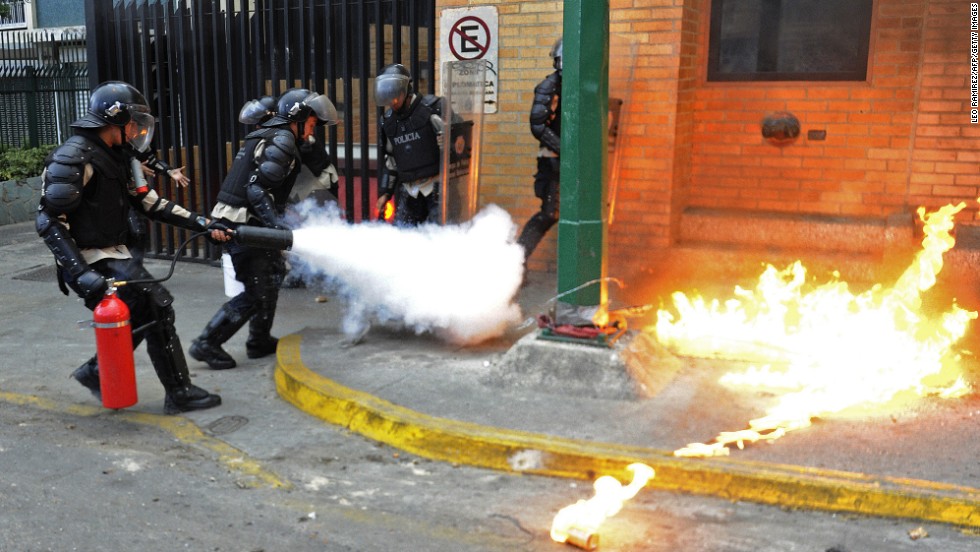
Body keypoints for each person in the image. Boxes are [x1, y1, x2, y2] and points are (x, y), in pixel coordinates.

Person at [36, 80, 229, 414]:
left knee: (148, 311)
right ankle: (178, 392)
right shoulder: (74, 156)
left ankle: (97, 372)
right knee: (157, 306)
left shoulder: (120, 156)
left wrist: (204, 225)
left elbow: (149, 203)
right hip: (90, 259)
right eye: (134, 122)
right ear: (116, 120)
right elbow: (50, 220)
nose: (139, 129)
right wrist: (80, 273)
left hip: (113, 256)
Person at [189, 88, 339, 370]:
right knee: (256, 290)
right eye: (310, 122)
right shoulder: (282, 139)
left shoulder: (275, 135)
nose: (312, 129)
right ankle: (207, 342)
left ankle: (259, 340)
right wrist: (277, 227)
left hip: (249, 218)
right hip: (242, 221)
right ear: (297, 117)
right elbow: (257, 190)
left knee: (273, 274)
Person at [374, 63, 447, 226]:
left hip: (437, 188)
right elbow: (391, 161)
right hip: (409, 192)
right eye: (387, 97)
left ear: (405, 91)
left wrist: (447, 142)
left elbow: (460, 141)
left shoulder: (433, 109)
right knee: (405, 238)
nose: (391, 102)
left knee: (439, 239)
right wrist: (385, 193)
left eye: (394, 96)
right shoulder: (388, 122)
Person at [516, 38, 562, 261]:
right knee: (549, 213)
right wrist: (565, 151)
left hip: (571, 161)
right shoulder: (549, 86)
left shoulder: (578, 86)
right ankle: (517, 261)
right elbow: (538, 126)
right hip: (553, 160)